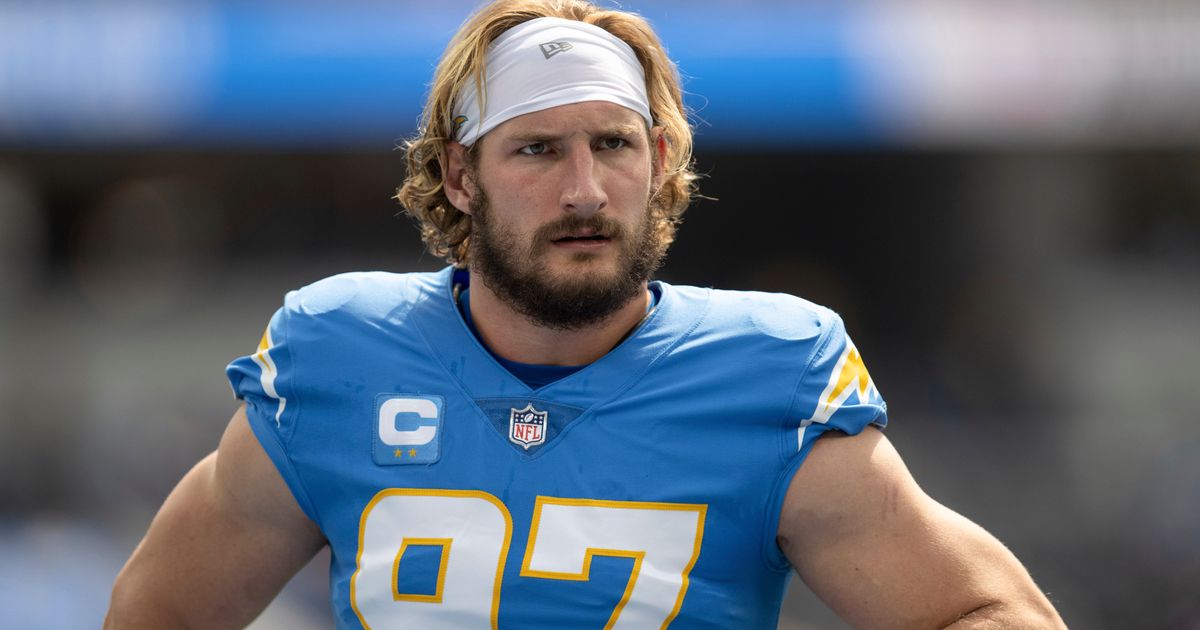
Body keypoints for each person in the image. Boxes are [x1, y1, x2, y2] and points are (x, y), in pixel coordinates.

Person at [106, 1, 1067, 628]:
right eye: (535, 151)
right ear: (459, 176)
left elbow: (977, 610)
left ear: (658, 162)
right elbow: (158, 613)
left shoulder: (772, 373)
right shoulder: (337, 353)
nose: (584, 189)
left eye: (612, 144)